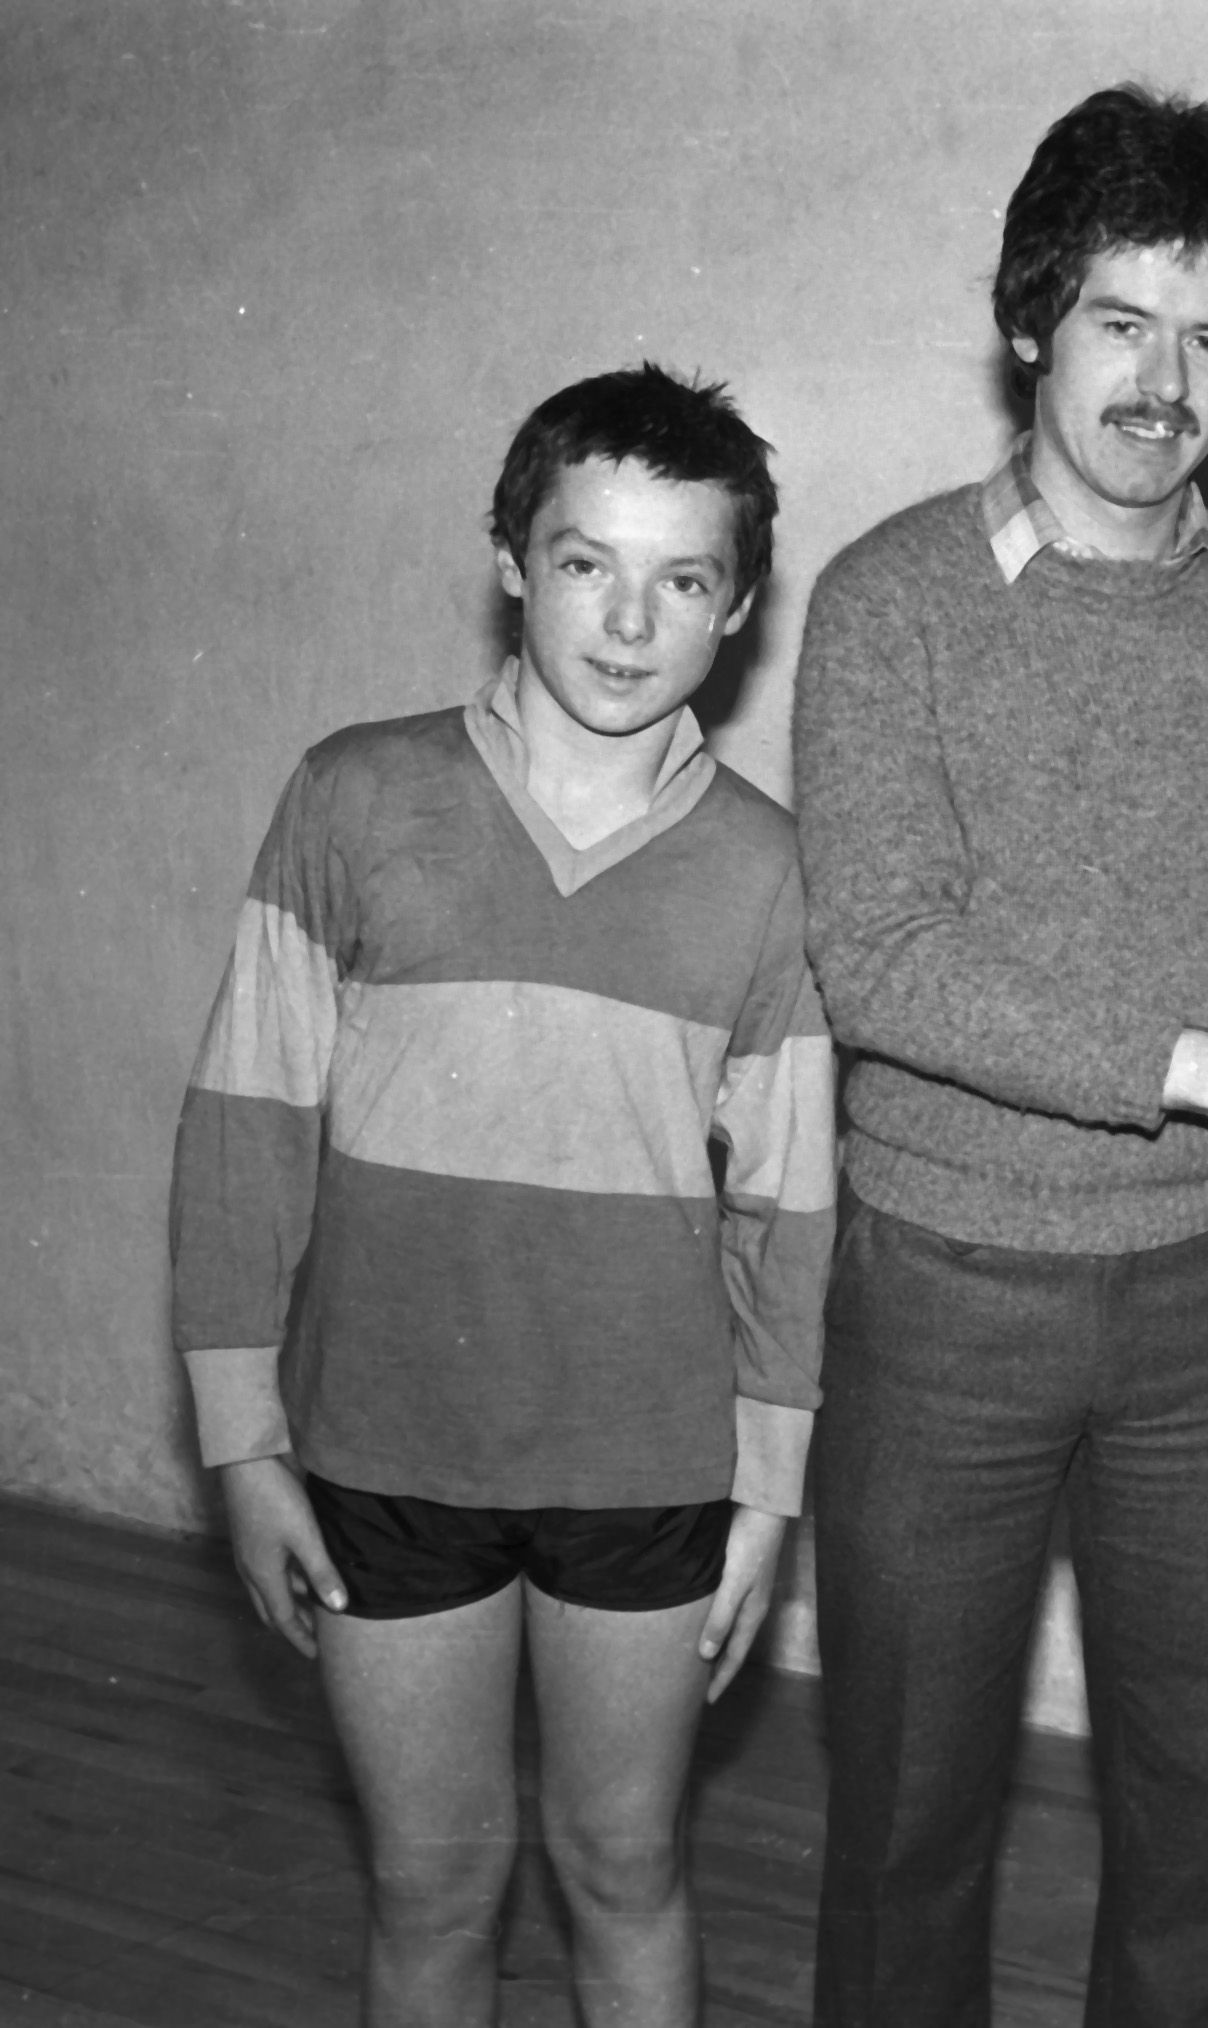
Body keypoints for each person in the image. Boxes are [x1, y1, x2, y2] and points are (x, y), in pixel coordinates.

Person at [793, 82, 1208, 2028]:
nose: (1165, 379)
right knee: (902, 1828)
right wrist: (1205, 1067)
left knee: (1197, 1829)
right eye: (1123, 321)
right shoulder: (890, 601)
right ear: (1031, 320)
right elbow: (879, 963)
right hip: (945, 1296)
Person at [168, 363, 834, 2027]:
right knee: (430, 1885)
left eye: (682, 578)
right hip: (386, 1445)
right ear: (511, 564)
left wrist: (767, 1487)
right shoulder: (354, 796)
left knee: (624, 1870)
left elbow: (789, 1207)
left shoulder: (771, 874)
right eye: (587, 559)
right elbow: (245, 1124)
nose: (628, 619)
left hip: (647, 1463)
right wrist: (240, 1437)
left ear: (736, 608)